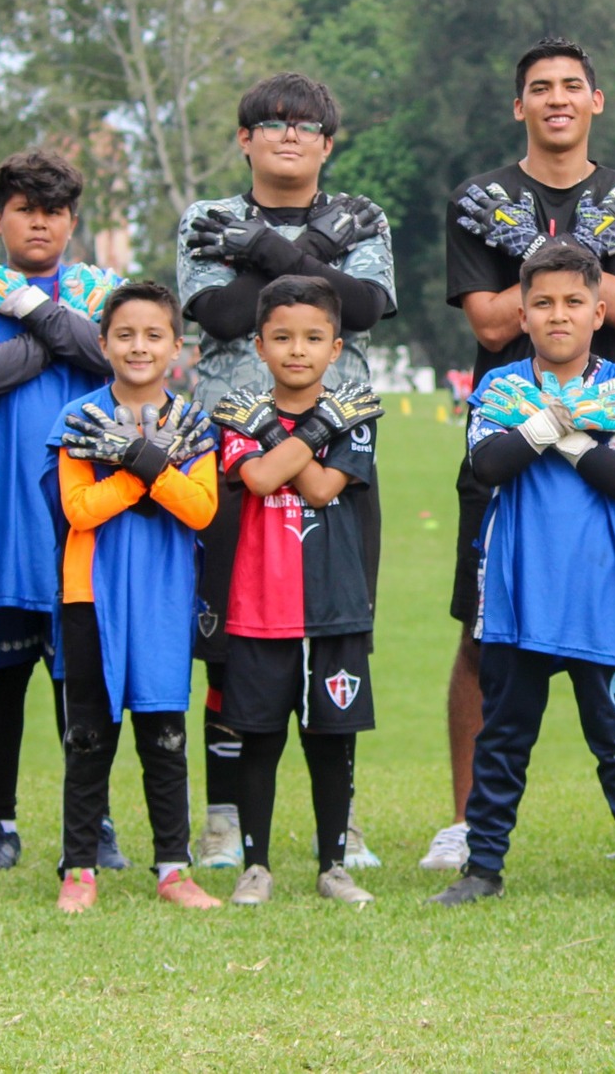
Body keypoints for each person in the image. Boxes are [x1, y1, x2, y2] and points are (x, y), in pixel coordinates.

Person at [434, 34, 615, 873]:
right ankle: (469, 825)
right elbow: (493, 322)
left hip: (603, 425)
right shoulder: (481, 196)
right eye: (540, 87)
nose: (557, 99)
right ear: (519, 105)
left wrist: (555, 262)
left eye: (573, 85)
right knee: (481, 624)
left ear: (596, 100)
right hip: (509, 421)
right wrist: (562, 261)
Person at [176, 71, 395, 872]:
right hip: (231, 445)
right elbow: (227, 315)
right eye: (271, 124)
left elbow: (363, 308)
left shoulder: (362, 217)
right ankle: (225, 813)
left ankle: (342, 825)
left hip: (341, 445)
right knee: (228, 631)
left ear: (327, 144)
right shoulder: (208, 218)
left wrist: (266, 252)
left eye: (305, 126)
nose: (288, 136)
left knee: (339, 623)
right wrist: (315, 254)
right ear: (245, 140)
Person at [0, 148, 123, 872]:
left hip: (86, 512)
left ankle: (94, 821)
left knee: (80, 676)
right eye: (24, 209)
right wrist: (57, 328)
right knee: (0, 675)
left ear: (72, 220)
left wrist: (35, 314)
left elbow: (113, 359)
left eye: (52, 211)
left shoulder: (101, 289)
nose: (38, 222)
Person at [44, 282, 220, 913]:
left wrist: (145, 459)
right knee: (88, 733)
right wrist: (135, 469)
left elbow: (201, 510)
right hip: (90, 593)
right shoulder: (79, 418)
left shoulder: (194, 423)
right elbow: (78, 508)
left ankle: (174, 868)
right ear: (103, 343)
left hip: (165, 598)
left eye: (153, 335)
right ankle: (79, 868)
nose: (138, 346)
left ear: (178, 346)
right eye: (124, 334)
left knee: (164, 730)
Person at [209, 276, 383, 907]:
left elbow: (321, 489)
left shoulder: (356, 419)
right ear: (259, 346)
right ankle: (256, 865)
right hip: (260, 605)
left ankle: (333, 864)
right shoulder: (237, 415)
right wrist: (313, 432)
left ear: (336, 348)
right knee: (259, 739)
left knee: (332, 741)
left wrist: (289, 436)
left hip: (332, 607)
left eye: (313, 338)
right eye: (281, 338)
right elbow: (256, 480)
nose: (297, 351)